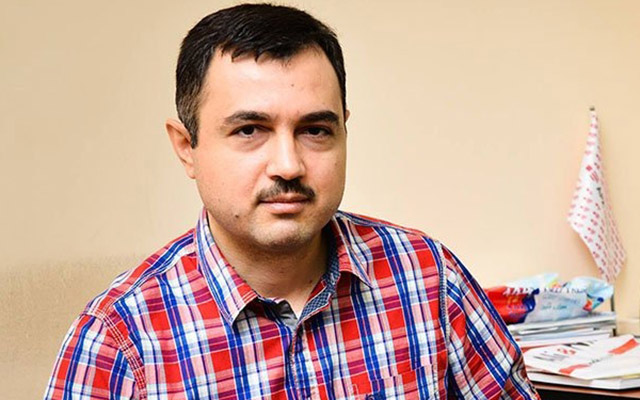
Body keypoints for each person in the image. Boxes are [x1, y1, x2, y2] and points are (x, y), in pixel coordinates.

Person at [45, 4, 539, 399]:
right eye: (249, 130)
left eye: (315, 130)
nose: (288, 165)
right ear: (186, 147)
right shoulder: (119, 342)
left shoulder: (428, 278)